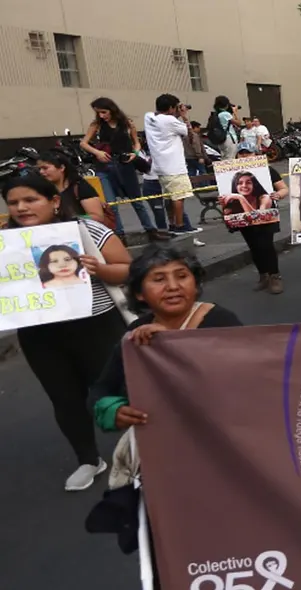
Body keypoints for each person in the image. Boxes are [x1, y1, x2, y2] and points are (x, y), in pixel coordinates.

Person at [3, 175, 132, 491]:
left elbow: (129, 269)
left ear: (54, 201)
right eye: (14, 202)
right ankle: (88, 459)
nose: (22, 207)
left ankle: (138, 453)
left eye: (30, 199)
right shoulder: (5, 243)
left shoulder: (88, 231)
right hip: (40, 335)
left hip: (97, 326)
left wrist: (100, 269)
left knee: (117, 392)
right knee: (64, 398)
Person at [89, 245, 242, 434]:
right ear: (139, 293)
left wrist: (171, 343)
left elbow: (243, 384)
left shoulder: (220, 321)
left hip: (220, 438)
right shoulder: (137, 332)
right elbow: (102, 388)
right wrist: (113, 410)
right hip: (162, 441)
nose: (173, 286)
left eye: (182, 276)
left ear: (195, 285)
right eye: (159, 279)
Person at [79, 97, 163, 241]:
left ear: (112, 110)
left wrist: (134, 154)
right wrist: (97, 152)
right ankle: (119, 234)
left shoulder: (127, 124)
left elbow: (137, 143)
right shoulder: (96, 125)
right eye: (98, 113)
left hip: (125, 164)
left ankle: (151, 230)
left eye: (104, 112)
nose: (101, 116)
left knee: (137, 200)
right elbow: (84, 143)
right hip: (105, 166)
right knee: (112, 204)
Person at [227, 148, 288, 293]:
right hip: (244, 220)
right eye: (241, 154)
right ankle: (263, 275)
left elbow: (284, 189)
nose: (244, 157)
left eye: (248, 153)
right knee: (253, 247)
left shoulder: (268, 171)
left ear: (255, 155)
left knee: (266, 245)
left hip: (266, 217)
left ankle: (274, 276)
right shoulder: (233, 175)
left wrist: (278, 195)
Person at [145, 94, 201, 235]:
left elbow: (161, 118)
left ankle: (172, 224)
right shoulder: (170, 121)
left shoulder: (149, 118)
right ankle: (180, 225)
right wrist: (184, 116)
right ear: (171, 108)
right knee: (178, 197)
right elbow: (188, 133)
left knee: (169, 197)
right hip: (174, 166)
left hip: (160, 167)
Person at [36, 151, 106, 223]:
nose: (41, 172)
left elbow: (98, 217)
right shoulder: (43, 191)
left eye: (45, 168)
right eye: (39, 169)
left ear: (62, 168)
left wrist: (73, 219)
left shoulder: (79, 187)